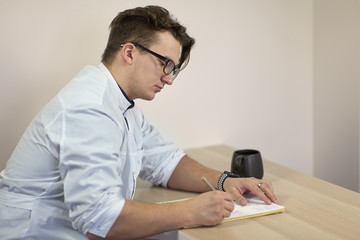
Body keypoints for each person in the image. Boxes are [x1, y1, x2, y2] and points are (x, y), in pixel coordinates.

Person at [0, 5, 277, 240]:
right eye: (165, 63)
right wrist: (191, 210)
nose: (169, 78)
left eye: (174, 69)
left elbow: (165, 162)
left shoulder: (122, 104)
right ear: (130, 53)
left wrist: (224, 180)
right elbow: (100, 220)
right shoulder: (88, 108)